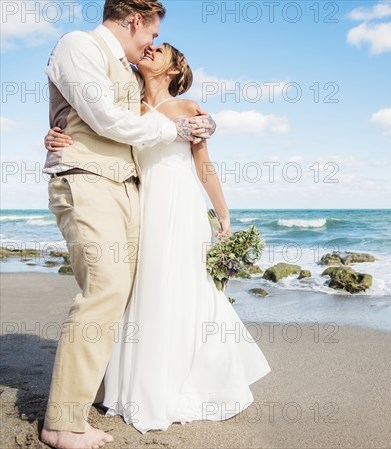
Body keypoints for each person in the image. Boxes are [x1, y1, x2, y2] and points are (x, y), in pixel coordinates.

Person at [45, 42, 272, 435]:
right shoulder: (126, 108)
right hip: (139, 203)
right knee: (140, 290)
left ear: (173, 70)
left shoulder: (189, 109)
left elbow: (205, 167)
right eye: (149, 44)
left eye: (161, 49)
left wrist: (223, 212)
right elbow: (97, 127)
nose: (149, 48)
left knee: (182, 289)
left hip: (180, 207)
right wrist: (54, 137)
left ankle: (184, 379)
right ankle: (130, 383)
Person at [40, 1, 217, 448]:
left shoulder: (130, 71)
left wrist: (201, 121)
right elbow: (102, 118)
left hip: (129, 187)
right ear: (136, 20)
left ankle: (98, 390)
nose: (153, 43)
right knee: (106, 289)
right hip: (88, 180)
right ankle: (62, 423)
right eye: (153, 34)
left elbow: (153, 109)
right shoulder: (77, 46)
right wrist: (176, 131)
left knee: (128, 292)